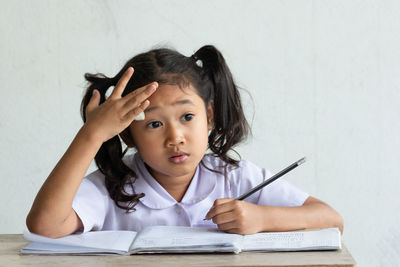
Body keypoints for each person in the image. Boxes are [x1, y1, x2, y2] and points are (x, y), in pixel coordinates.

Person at [26, 45, 343, 238]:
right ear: (127, 133)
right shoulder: (110, 187)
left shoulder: (234, 176)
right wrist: (92, 134)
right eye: (153, 123)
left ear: (209, 116)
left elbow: (331, 220)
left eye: (187, 118)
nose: (175, 137)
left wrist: (261, 218)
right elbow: (45, 225)